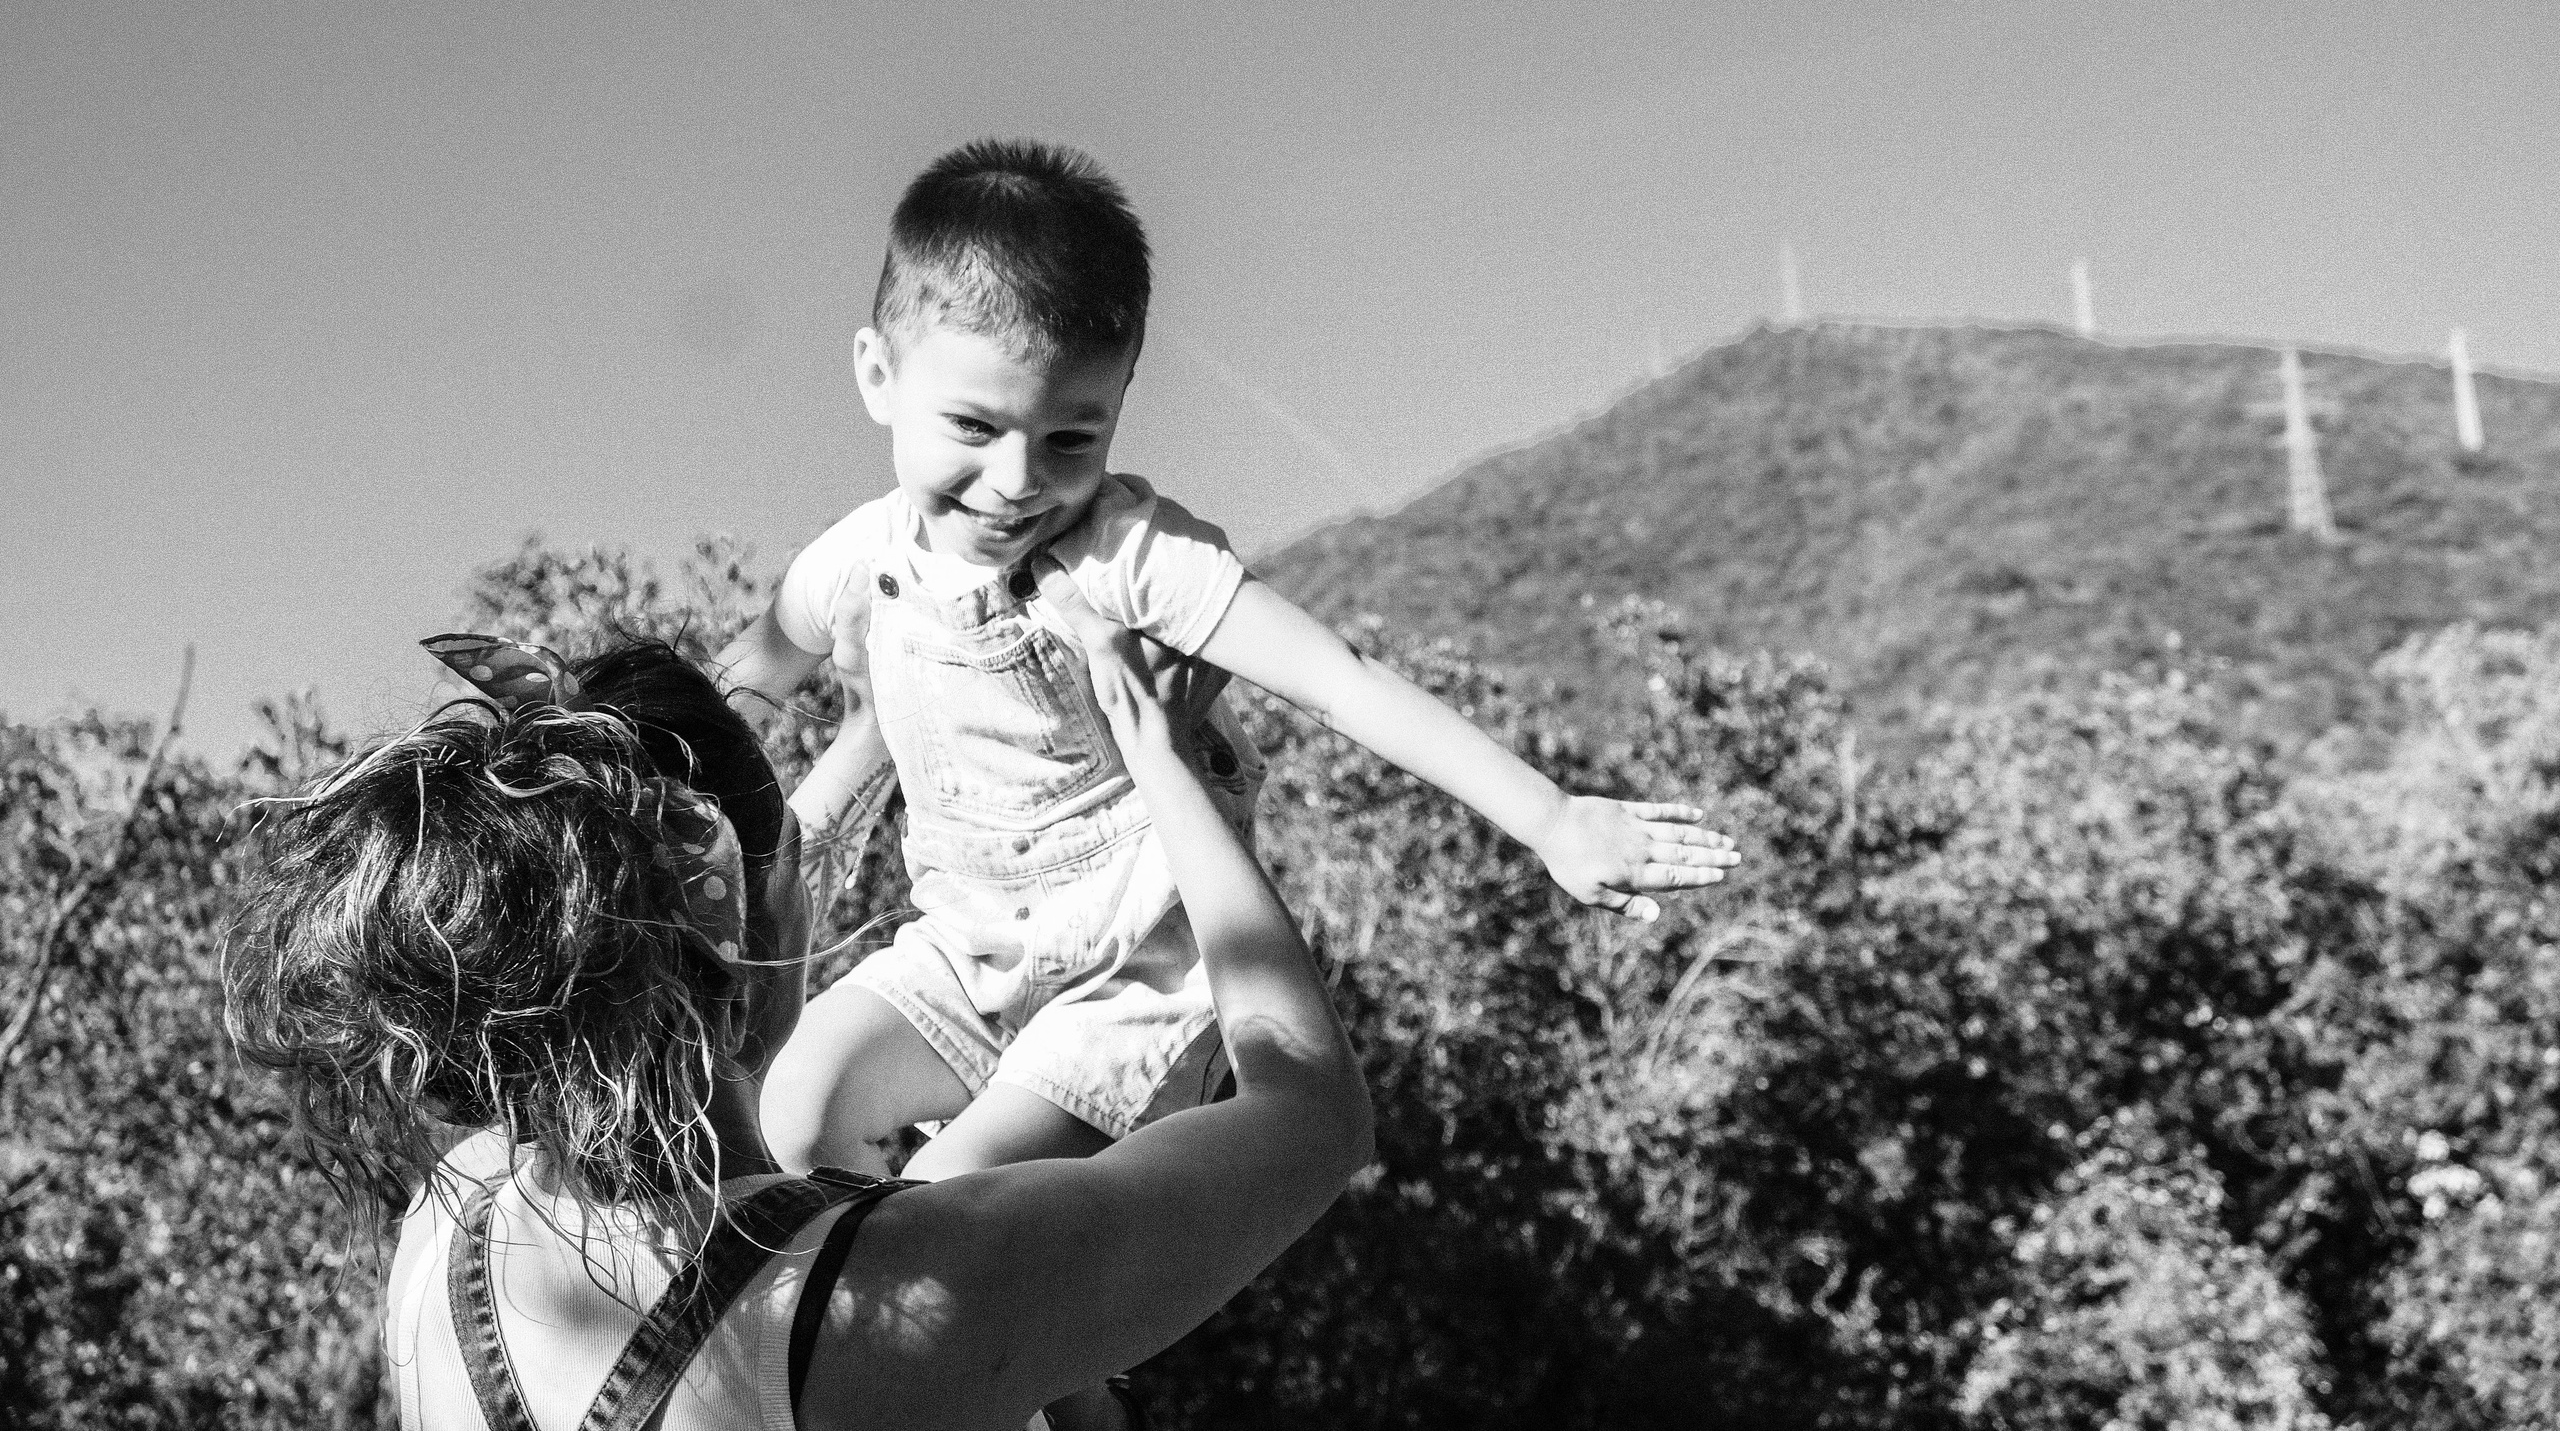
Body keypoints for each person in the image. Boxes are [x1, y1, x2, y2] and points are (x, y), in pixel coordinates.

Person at [719, 139, 1741, 1197]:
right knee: (789, 1112)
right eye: (974, 427)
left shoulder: (1130, 554)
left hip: (1132, 981)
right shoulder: (859, 559)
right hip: (962, 950)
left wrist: (1551, 818)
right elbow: (740, 682)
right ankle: (922, 1281)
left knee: (952, 1196)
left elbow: (1339, 680)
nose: (1017, 479)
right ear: (878, 376)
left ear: (1120, 402)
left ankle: (970, 1267)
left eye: (1070, 438)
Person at [224, 577, 1373, 1431]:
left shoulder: (445, 1233)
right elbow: (1311, 1116)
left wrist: (871, 736)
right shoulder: (910, 1287)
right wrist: (1172, 771)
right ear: (749, 919)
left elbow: (729, 902)